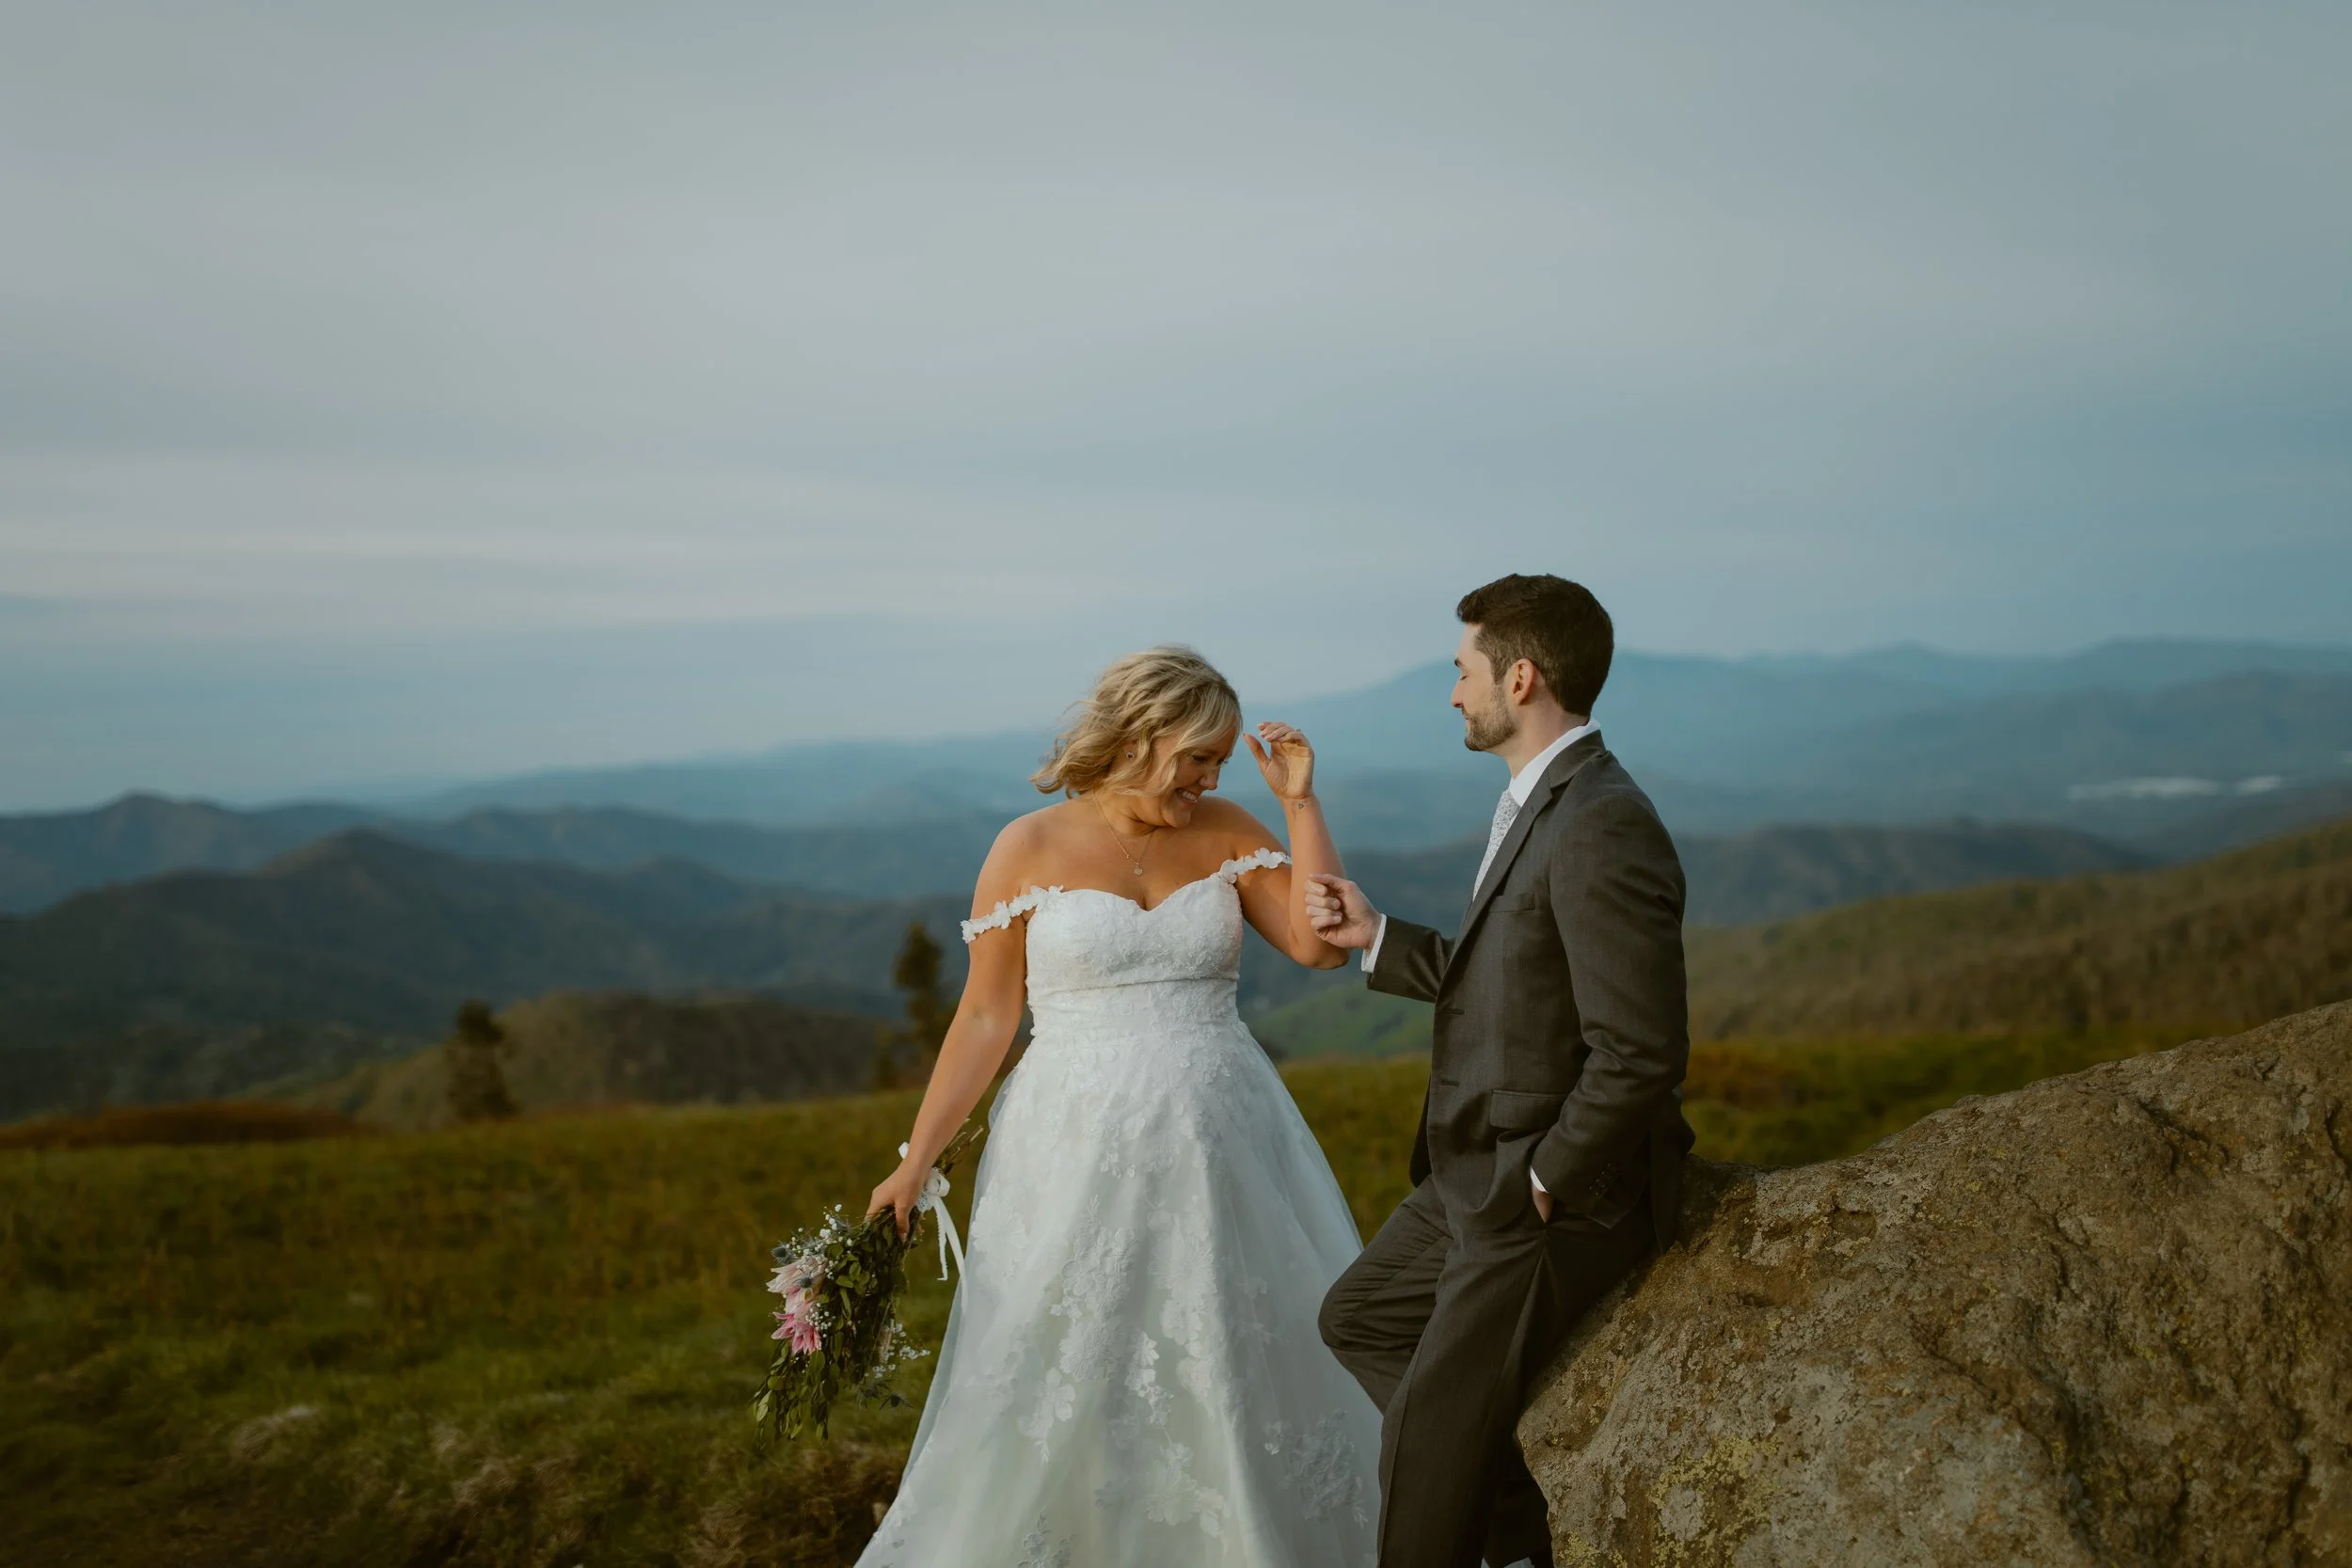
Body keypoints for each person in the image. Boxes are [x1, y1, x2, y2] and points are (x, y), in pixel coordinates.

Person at [859, 646, 1382, 1567]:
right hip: (1067, 1143)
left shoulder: (1228, 826)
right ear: (1139, 737)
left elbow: (1318, 945)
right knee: (1062, 1353)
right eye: (1196, 756)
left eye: (1219, 759)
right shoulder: (1024, 845)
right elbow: (986, 1014)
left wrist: (1300, 802)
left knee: (1229, 1345)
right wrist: (916, 1158)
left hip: (1222, 1140)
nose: (1210, 777)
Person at [1305, 574, 1692, 1568]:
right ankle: (1525, 1526)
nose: (1452, 693)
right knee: (1358, 1315)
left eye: (1461, 670)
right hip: (1475, 1168)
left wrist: (1546, 1178)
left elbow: (1639, 1049)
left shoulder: (1601, 818)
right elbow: (1514, 979)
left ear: (1519, 677)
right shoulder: (1539, 800)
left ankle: (1474, 1509)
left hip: (1547, 1188)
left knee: (1430, 1426)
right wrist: (1376, 934)